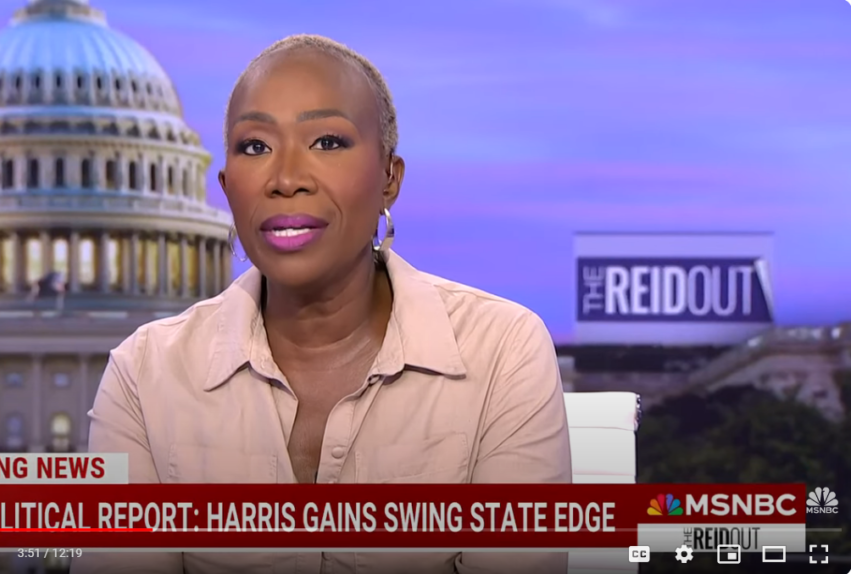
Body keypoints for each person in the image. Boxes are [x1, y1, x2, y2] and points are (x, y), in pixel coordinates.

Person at [71, 34, 571, 574]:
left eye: (327, 141)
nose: (286, 180)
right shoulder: (144, 374)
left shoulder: (502, 352)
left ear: (389, 179)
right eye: (255, 147)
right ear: (227, 187)